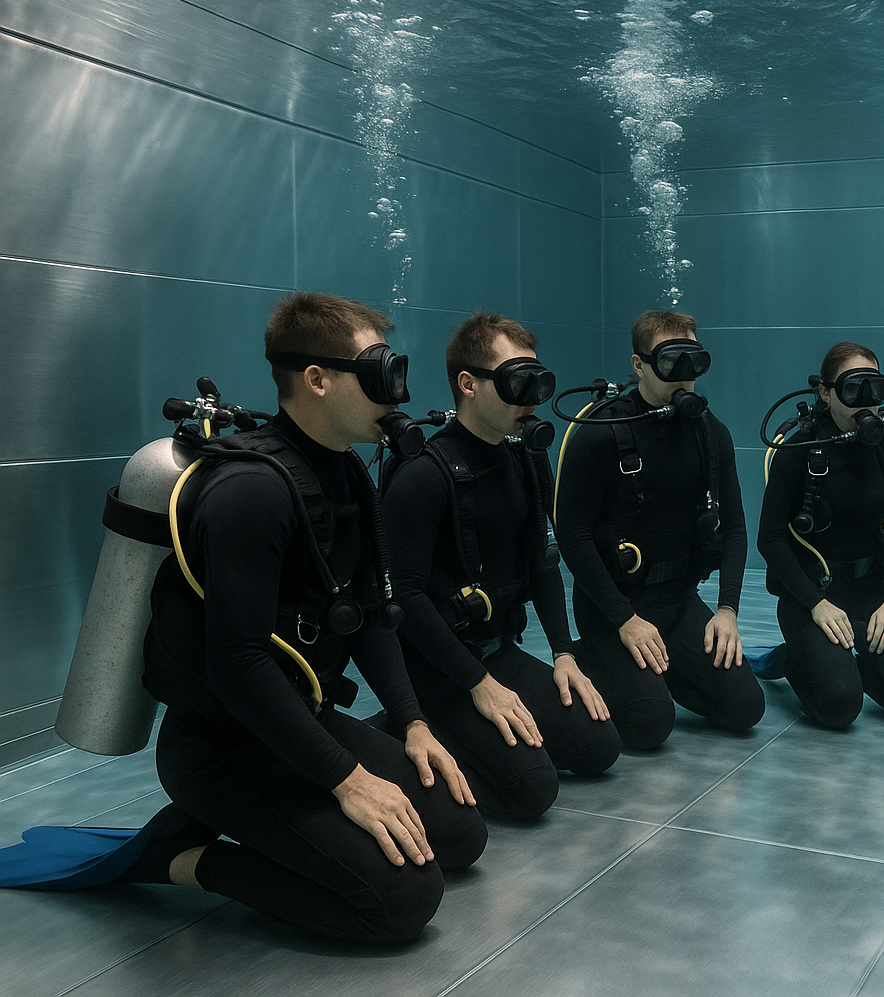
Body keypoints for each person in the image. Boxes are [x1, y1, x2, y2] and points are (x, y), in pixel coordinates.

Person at [134, 292, 486, 944]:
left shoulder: (348, 475)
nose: (398, 393)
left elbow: (374, 617)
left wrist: (413, 723)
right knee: (404, 902)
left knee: (461, 831)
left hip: (300, 720)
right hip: (221, 748)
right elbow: (236, 664)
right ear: (317, 380)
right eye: (380, 373)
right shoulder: (252, 492)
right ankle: (182, 857)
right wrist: (348, 780)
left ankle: (291, 816)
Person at [380, 312, 620, 820]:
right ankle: (399, 727)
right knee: (532, 791)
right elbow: (404, 596)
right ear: (467, 384)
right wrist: (477, 685)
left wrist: (564, 654)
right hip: (437, 668)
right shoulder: (422, 475)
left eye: (538, 381)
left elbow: (543, 558)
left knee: (598, 747)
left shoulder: (527, 461)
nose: (531, 398)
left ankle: (478, 735)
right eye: (517, 382)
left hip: (496, 653)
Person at [555, 309, 764, 750]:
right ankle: (598, 656)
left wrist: (727, 610)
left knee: (746, 708)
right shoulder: (600, 432)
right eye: (672, 364)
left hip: (678, 602)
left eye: (695, 363)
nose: (685, 378)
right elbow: (572, 536)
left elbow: (736, 527)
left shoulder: (711, 434)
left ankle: (655, 671)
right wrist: (624, 620)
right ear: (638, 365)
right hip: (614, 608)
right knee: (650, 726)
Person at [757, 342, 884, 728]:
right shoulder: (799, 450)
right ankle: (794, 657)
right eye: (854, 389)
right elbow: (769, 538)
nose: (866, 401)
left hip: (871, 597)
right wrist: (816, 603)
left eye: (876, 389)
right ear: (825, 391)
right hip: (810, 599)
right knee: (840, 706)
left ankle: (842, 662)